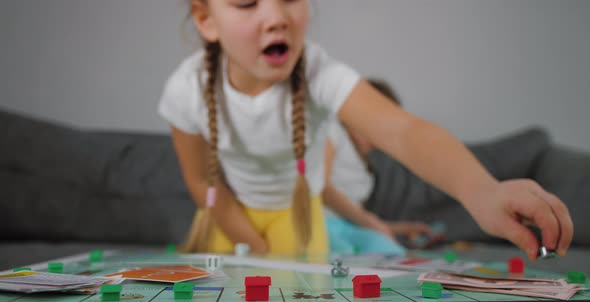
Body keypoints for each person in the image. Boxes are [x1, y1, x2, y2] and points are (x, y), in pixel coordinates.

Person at [158, 0, 573, 260]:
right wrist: (258, 247)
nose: (276, 17)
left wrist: (483, 191)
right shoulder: (186, 89)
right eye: (247, 3)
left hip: (298, 218)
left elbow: (403, 131)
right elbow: (202, 184)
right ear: (206, 19)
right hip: (227, 217)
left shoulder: (319, 72)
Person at [323, 79, 436, 255]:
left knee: (394, 253)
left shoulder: (366, 169)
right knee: (346, 257)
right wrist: (370, 222)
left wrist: (397, 228)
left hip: (348, 228)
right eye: (372, 124)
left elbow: (355, 217)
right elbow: (322, 187)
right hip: (321, 223)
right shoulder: (333, 132)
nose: (376, 135)